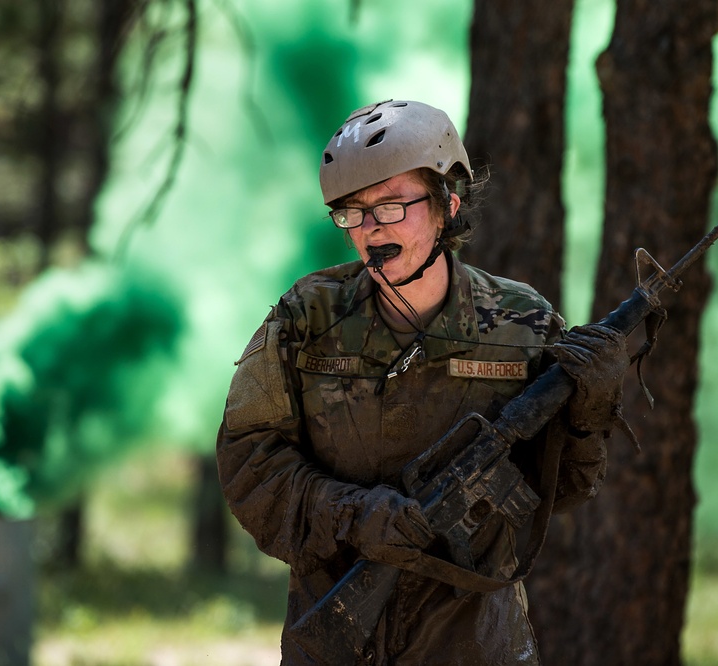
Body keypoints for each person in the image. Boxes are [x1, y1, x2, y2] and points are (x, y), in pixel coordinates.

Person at [216, 99, 629, 665]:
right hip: (339, 640)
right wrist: (355, 516)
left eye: (389, 207)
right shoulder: (306, 319)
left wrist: (590, 411)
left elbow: (564, 487)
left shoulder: (522, 324)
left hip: (476, 643)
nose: (368, 232)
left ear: (447, 204)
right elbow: (249, 462)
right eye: (351, 213)